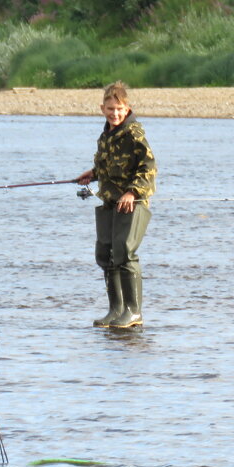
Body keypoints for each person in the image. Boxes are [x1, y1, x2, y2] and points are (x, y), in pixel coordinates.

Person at [76, 81, 157, 328]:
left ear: (127, 108)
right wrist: (93, 173)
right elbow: (108, 166)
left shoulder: (134, 134)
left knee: (124, 252)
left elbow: (148, 168)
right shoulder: (106, 135)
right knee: (105, 254)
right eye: (110, 109)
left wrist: (132, 192)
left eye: (119, 108)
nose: (115, 113)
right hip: (109, 201)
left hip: (133, 203)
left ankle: (133, 312)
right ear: (102, 109)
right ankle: (116, 310)